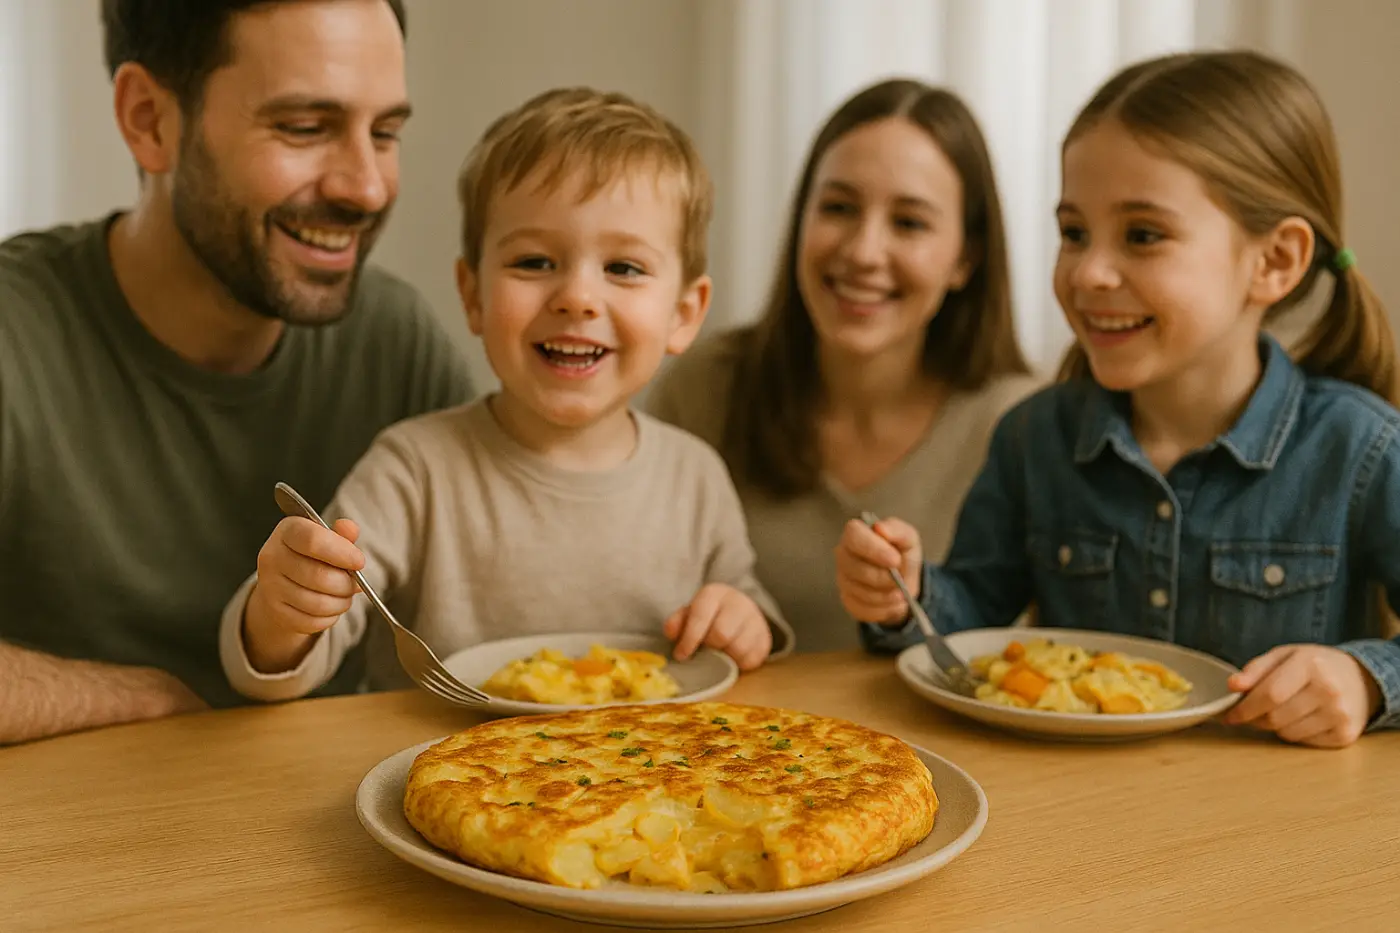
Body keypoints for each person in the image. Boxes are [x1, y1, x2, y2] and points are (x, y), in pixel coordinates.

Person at [836, 50, 1400, 748]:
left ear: (1274, 261)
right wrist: (905, 595)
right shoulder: (1032, 438)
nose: (1090, 271)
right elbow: (971, 620)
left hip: (1278, 840)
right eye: (1073, 232)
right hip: (1087, 828)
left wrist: (1365, 677)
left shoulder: (1361, 448)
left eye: (1143, 235)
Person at [0, 0, 475, 744]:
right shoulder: (14, 331)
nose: (368, 187)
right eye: (305, 128)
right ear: (149, 120)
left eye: (384, 133)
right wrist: (138, 697)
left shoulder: (395, 337)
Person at [219, 87, 794, 701]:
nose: (577, 297)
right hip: (444, 776)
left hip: (646, 787)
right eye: (534, 262)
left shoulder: (696, 477)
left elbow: (745, 618)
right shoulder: (415, 469)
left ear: (683, 312)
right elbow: (290, 662)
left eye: (623, 268)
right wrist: (285, 610)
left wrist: (740, 621)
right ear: (473, 294)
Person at [645, 79, 1041, 652]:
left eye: (909, 222)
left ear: (965, 258)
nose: (862, 250)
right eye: (838, 208)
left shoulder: (1026, 422)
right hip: (735, 739)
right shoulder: (704, 387)